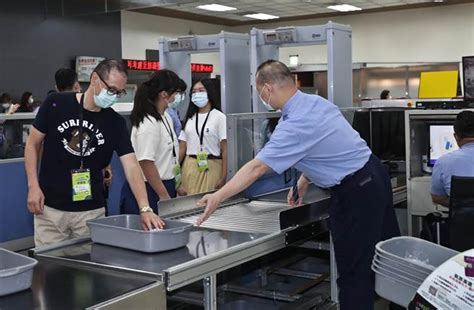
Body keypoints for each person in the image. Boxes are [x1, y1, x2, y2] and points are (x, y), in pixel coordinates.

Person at [196, 60, 400, 310]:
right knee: (389, 258)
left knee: (354, 273)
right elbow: (327, 145)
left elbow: (257, 167)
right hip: (373, 174)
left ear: (267, 89)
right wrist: (304, 179)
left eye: (258, 91)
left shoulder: (295, 124)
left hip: (356, 192)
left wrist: (219, 196)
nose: (260, 97)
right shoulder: (315, 102)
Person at [24, 59, 164, 247]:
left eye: (119, 93)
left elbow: (131, 165)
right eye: (111, 90)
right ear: (94, 79)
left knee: (86, 273)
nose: (114, 96)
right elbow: (32, 144)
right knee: (49, 270)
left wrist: (145, 207)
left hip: (91, 212)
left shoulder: (115, 122)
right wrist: (33, 186)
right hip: (50, 209)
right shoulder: (56, 104)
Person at [120, 70, 185, 215]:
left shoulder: (166, 116)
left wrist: (176, 184)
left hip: (164, 184)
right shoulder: (148, 123)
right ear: (164, 94)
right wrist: (163, 195)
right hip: (149, 188)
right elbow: (146, 162)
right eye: (176, 92)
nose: (178, 97)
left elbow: (168, 157)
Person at [178, 79, 227, 195]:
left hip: (212, 165)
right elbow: (182, 147)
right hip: (189, 166)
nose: (197, 94)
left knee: (206, 203)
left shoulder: (219, 117)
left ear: (209, 93)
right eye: (194, 92)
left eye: (201, 90)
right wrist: (175, 172)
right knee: (187, 204)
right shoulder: (190, 118)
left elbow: (225, 150)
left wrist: (224, 176)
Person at [431, 111, 474, 207]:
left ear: (456, 136)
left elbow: (437, 198)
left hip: (461, 220)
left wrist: (461, 205)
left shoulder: (442, 162)